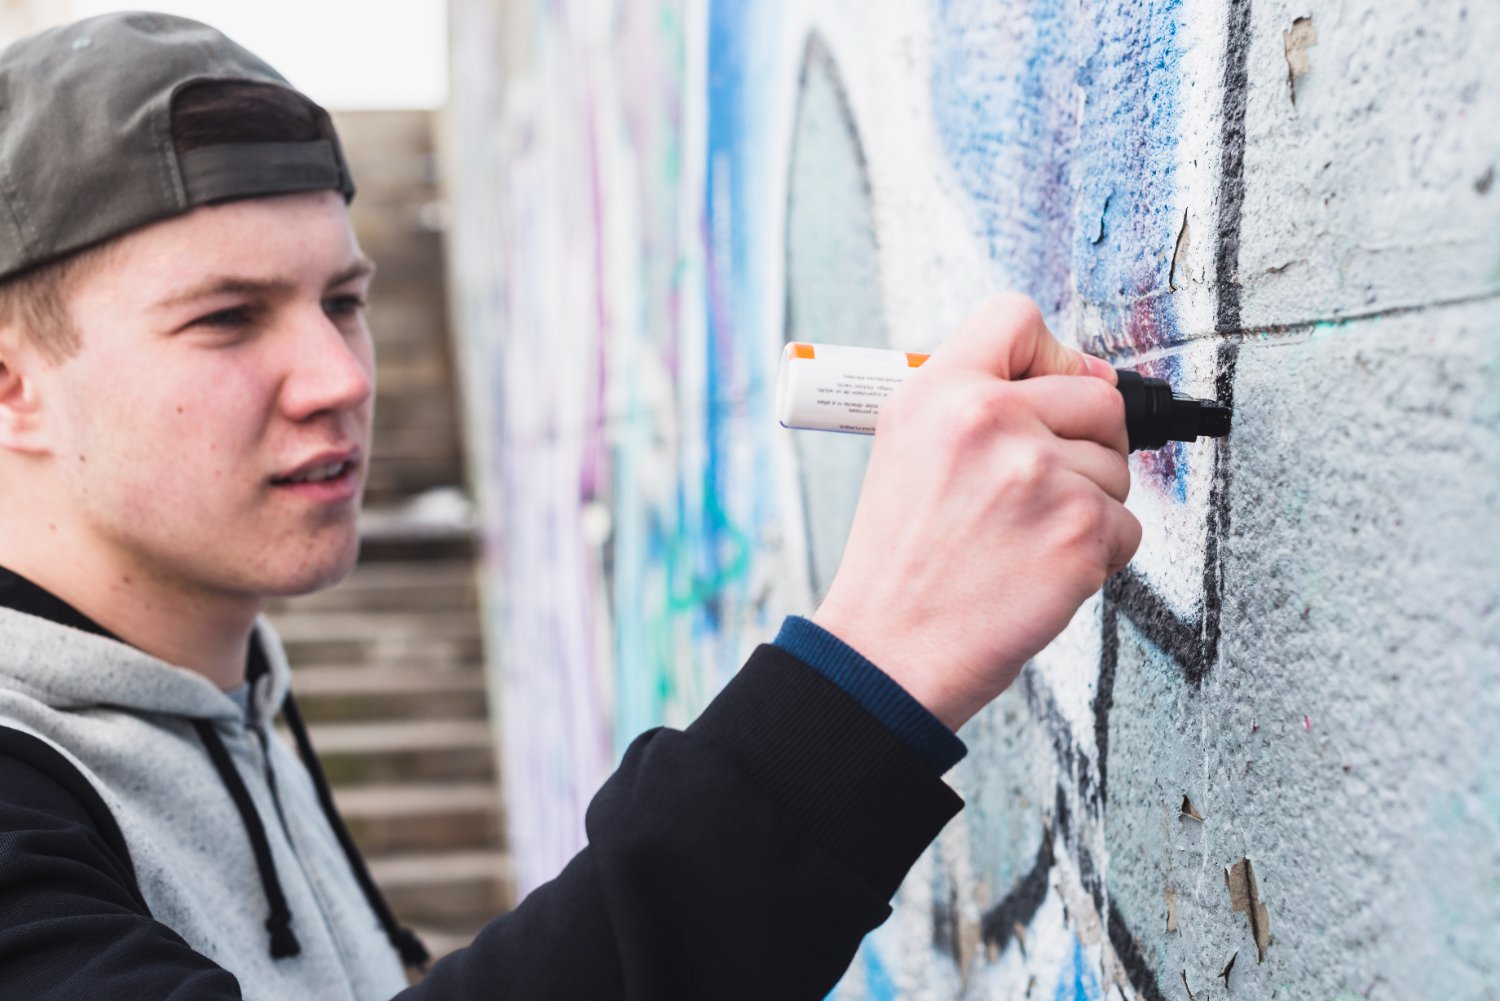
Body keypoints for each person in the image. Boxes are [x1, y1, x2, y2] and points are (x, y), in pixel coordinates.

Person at [0, 12, 1139, 1001]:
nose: (342, 376)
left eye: (342, 300)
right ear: (15, 386)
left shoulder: (225, 688)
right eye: (227, 317)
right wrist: (877, 664)